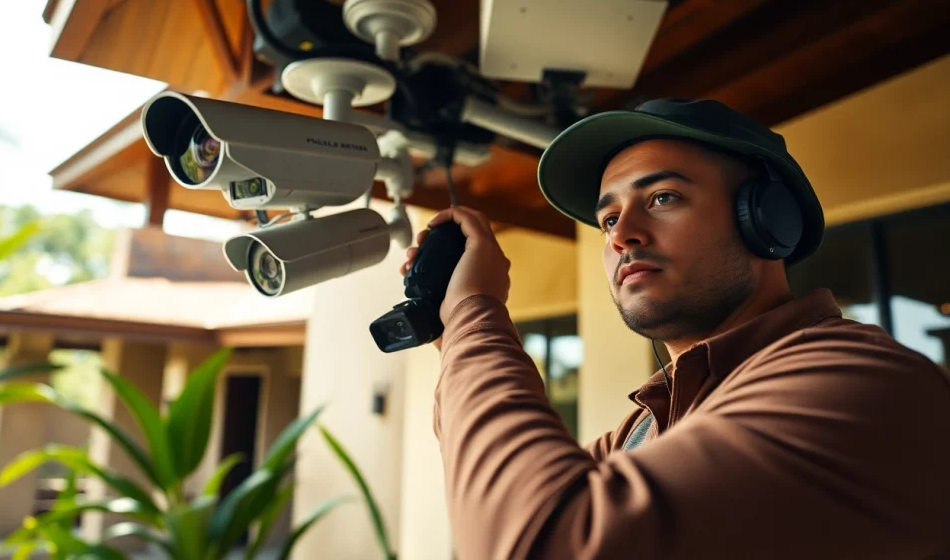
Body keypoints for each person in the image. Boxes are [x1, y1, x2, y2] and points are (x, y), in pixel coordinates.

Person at [400, 98, 950, 560]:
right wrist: (455, 332)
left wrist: (476, 311)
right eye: (609, 219)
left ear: (767, 222)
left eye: (663, 198)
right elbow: (498, 494)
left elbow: (546, 540)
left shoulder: (853, 381)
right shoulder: (646, 425)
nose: (622, 236)